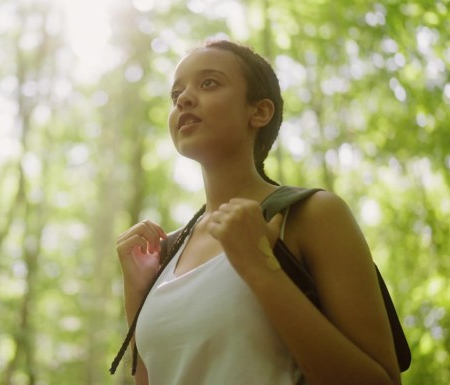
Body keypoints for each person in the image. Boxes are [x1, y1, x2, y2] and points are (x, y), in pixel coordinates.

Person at [111, 40, 401, 385]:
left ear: (259, 112)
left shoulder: (311, 215)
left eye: (209, 83)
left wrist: (261, 269)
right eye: (176, 94)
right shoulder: (165, 250)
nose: (184, 99)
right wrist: (137, 292)